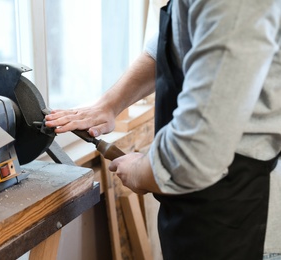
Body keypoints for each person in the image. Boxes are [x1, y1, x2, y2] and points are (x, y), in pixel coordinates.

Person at [45, 0, 281, 259]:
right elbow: (177, 41)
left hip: (232, 202)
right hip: (193, 201)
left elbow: (199, 150)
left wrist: (140, 171)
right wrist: (109, 105)